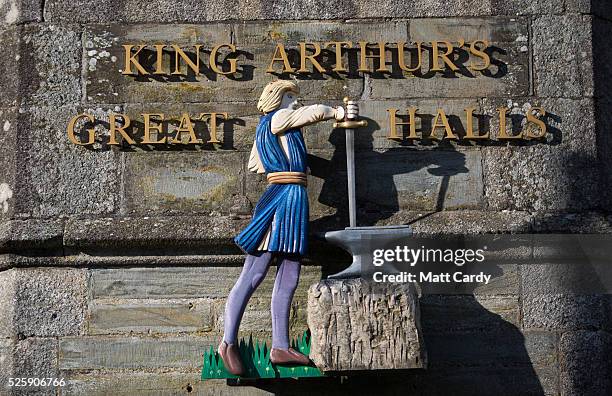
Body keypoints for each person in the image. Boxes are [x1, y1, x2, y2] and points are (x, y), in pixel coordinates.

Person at [218, 80, 358, 375]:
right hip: (280, 200)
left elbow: (300, 162)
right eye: (291, 96)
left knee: (290, 273)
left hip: (294, 202)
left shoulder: (288, 133)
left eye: (296, 96)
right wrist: (336, 112)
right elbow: (311, 113)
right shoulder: (277, 118)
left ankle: (280, 346)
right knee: (255, 273)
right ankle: (227, 343)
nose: (295, 101)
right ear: (277, 99)